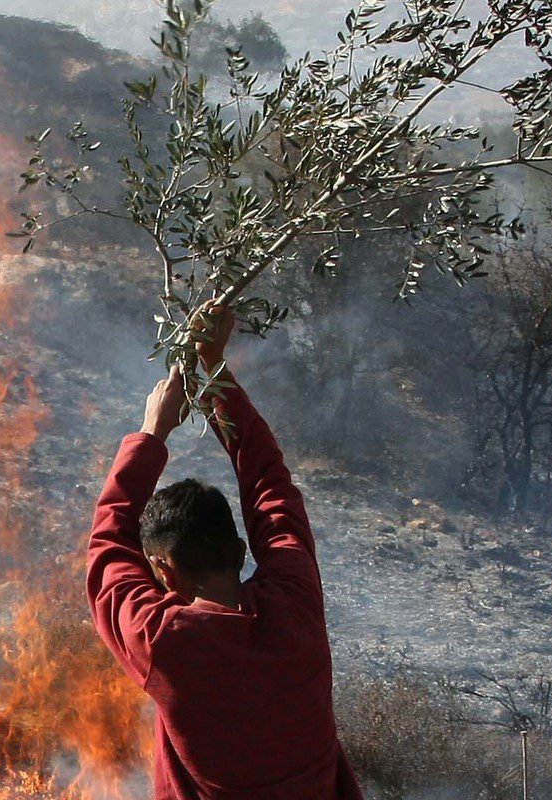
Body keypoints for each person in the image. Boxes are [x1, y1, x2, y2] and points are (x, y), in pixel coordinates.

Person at [87, 302, 363, 799]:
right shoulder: (295, 602)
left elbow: (107, 546)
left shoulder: (165, 641)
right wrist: (215, 373)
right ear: (240, 551)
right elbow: (270, 487)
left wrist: (153, 432)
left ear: (164, 573)